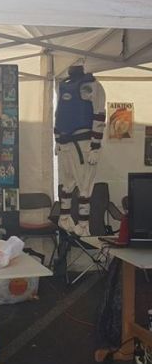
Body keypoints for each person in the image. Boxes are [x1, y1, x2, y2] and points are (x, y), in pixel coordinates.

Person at [54, 65, 106, 236]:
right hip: (74, 144)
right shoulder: (73, 85)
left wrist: (95, 146)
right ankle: (73, 221)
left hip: (76, 143)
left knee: (77, 185)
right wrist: (95, 145)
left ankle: (78, 223)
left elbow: (99, 115)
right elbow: (59, 114)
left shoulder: (84, 85)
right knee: (75, 185)